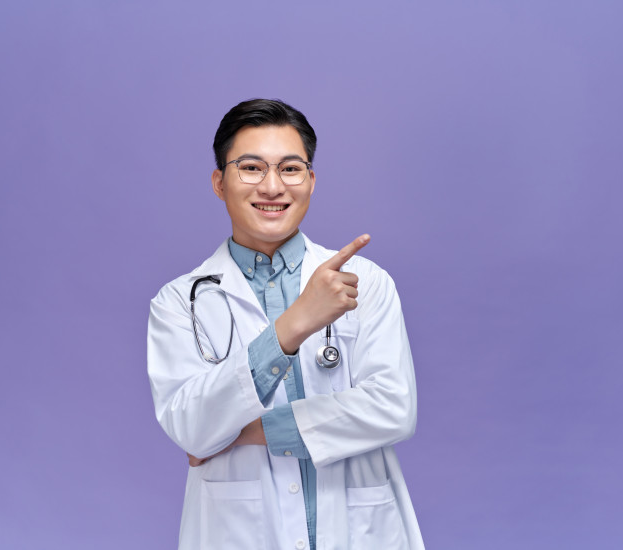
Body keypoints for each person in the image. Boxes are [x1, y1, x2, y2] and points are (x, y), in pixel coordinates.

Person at [147, 99, 424, 549]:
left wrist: (248, 433)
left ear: (311, 181)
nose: (273, 186)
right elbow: (191, 428)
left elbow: (394, 408)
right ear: (219, 183)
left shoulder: (367, 282)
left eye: (291, 169)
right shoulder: (180, 302)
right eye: (251, 168)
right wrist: (293, 325)